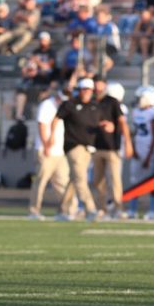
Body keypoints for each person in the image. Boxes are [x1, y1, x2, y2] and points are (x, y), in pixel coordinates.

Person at [51, 78, 102, 221]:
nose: (86, 92)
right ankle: (90, 209)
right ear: (79, 90)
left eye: (89, 90)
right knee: (81, 178)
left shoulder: (94, 106)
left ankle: (62, 211)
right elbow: (56, 119)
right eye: (84, 89)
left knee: (74, 179)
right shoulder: (70, 104)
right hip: (74, 146)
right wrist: (51, 137)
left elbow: (97, 124)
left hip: (88, 148)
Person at [29, 87, 74, 221]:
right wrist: (46, 145)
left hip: (60, 151)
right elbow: (42, 125)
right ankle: (34, 210)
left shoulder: (67, 106)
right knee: (41, 181)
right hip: (46, 150)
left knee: (62, 182)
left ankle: (68, 210)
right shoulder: (47, 105)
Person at [91, 79, 132, 219]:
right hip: (94, 146)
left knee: (114, 179)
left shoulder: (112, 102)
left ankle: (118, 208)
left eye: (100, 86)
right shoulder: (90, 102)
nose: (97, 89)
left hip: (111, 147)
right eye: (95, 86)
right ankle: (102, 209)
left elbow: (122, 122)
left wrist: (128, 143)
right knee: (98, 181)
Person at [127, 85, 154, 219]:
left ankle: (152, 210)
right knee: (134, 180)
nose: (138, 100)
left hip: (151, 150)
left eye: (140, 97)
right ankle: (132, 210)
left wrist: (149, 156)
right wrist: (133, 148)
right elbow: (134, 132)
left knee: (152, 181)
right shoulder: (136, 111)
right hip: (138, 148)